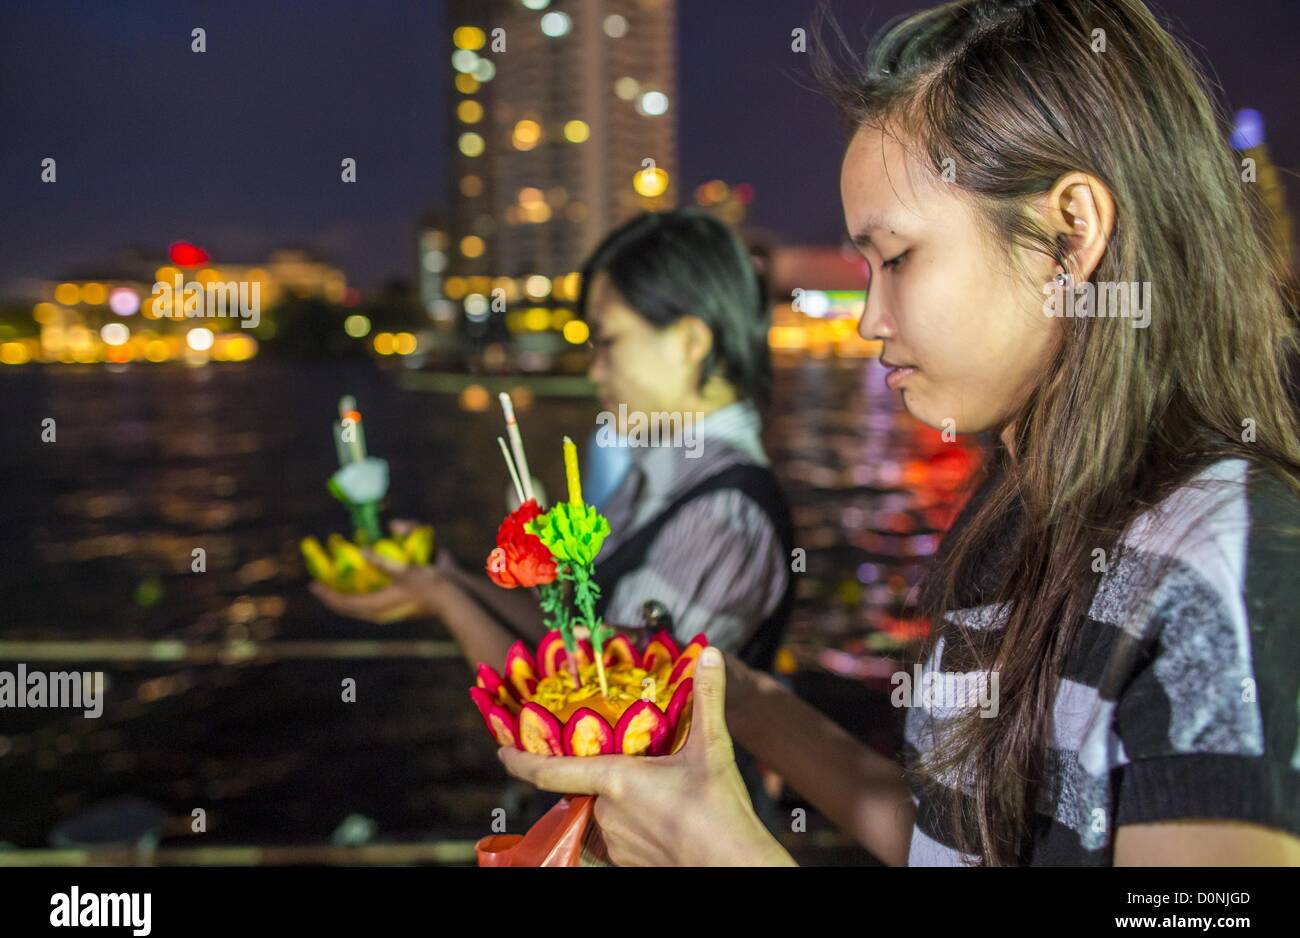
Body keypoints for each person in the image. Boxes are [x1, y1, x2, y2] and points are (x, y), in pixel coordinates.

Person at [499, 0, 1300, 866]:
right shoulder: (1020, 515)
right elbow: (951, 840)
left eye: (899, 257)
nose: (869, 320)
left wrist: (720, 852)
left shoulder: (1220, 562)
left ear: (1071, 236)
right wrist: (734, 703)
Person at [312, 211, 794, 796]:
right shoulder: (660, 481)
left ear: (692, 340)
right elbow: (576, 644)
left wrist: (443, 600)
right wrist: (448, 578)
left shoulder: (723, 516)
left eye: (608, 340)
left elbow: (611, 731)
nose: (594, 371)